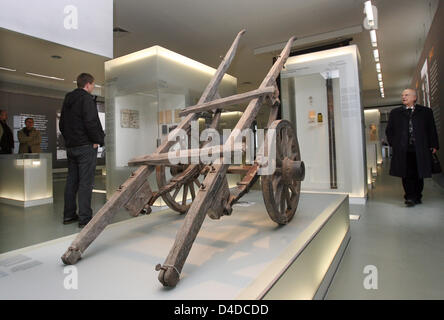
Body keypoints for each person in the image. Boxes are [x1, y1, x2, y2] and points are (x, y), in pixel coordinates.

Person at [60, 73, 105, 227]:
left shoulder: (68, 98)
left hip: (72, 147)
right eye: (93, 85)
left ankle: (68, 215)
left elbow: (62, 124)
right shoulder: (86, 99)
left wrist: (70, 141)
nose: (93, 88)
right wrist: (97, 140)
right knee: (86, 183)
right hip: (86, 147)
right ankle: (85, 218)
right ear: (88, 85)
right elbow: (91, 122)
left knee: (71, 181)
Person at [385, 88, 439, 207]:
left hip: (420, 148)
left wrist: (434, 144)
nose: (404, 97)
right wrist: (394, 144)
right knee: (406, 173)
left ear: (414, 97)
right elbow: (389, 131)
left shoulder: (425, 112)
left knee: (419, 173)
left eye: (407, 95)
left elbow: (431, 129)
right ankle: (409, 196)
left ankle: (417, 196)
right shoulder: (395, 113)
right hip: (404, 149)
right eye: (403, 95)